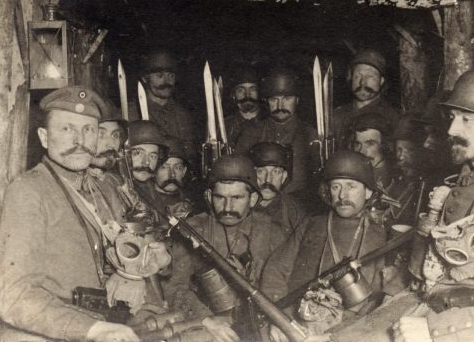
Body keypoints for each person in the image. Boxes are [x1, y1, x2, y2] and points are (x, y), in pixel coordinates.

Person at [334, 69, 474, 342]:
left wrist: (433, 330)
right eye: (453, 118)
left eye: (467, 120)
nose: (452, 130)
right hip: (426, 305)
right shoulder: (461, 179)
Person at [0, 86, 170, 342]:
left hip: (105, 325)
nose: (79, 141)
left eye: (88, 130)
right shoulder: (29, 191)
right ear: (44, 137)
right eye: (67, 129)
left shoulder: (105, 188)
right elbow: (13, 296)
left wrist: (147, 262)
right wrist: (92, 329)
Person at [261, 151, 387, 341]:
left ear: (368, 191)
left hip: (345, 332)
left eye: (351, 186)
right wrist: (279, 319)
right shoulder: (311, 224)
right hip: (293, 323)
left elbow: (376, 301)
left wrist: (335, 335)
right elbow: (275, 270)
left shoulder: (381, 236)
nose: (342, 195)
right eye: (336, 187)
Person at [166, 155, 287, 341]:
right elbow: (175, 286)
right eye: (219, 197)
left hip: (260, 320)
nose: (227, 207)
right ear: (208, 196)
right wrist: (206, 319)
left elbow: (283, 283)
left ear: (253, 198)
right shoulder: (191, 230)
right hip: (210, 321)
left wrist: (277, 321)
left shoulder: (271, 231)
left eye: (237, 198)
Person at [235, 67, 317, 199]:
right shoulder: (250, 134)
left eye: (286, 99)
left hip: (300, 206)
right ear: (267, 101)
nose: (280, 106)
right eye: (274, 99)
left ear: (297, 100)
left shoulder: (311, 135)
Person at [129, 48, 199, 162]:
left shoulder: (184, 116)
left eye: (171, 75)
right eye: (159, 76)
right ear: (145, 79)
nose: (166, 82)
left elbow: (190, 155)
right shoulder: (131, 113)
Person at [333, 49, 400, 150]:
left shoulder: (393, 118)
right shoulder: (337, 116)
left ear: (381, 81)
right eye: (357, 76)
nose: (362, 83)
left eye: (370, 77)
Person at [249, 141, 306, 237]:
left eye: (276, 172)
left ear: (284, 177)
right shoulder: (237, 206)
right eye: (261, 171)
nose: (268, 179)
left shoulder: (295, 213)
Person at [350, 112, 394, 190]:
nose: (362, 151)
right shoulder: (351, 172)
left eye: (370, 143)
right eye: (357, 144)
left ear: (384, 145)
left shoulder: (392, 176)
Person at [225, 66, 265, 148]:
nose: (247, 95)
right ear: (233, 95)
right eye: (241, 90)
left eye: (253, 89)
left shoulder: (269, 124)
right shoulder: (224, 126)